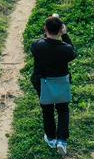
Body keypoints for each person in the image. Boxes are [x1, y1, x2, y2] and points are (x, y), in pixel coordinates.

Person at [31, 15, 77, 155]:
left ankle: (51, 138)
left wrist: (49, 29)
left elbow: (42, 42)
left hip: (43, 82)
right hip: (61, 82)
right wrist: (65, 34)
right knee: (63, 110)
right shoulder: (66, 49)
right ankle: (62, 140)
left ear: (45, 29)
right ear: (60, 30)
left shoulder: (37, 46)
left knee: (47, 109)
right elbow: (73, 52)